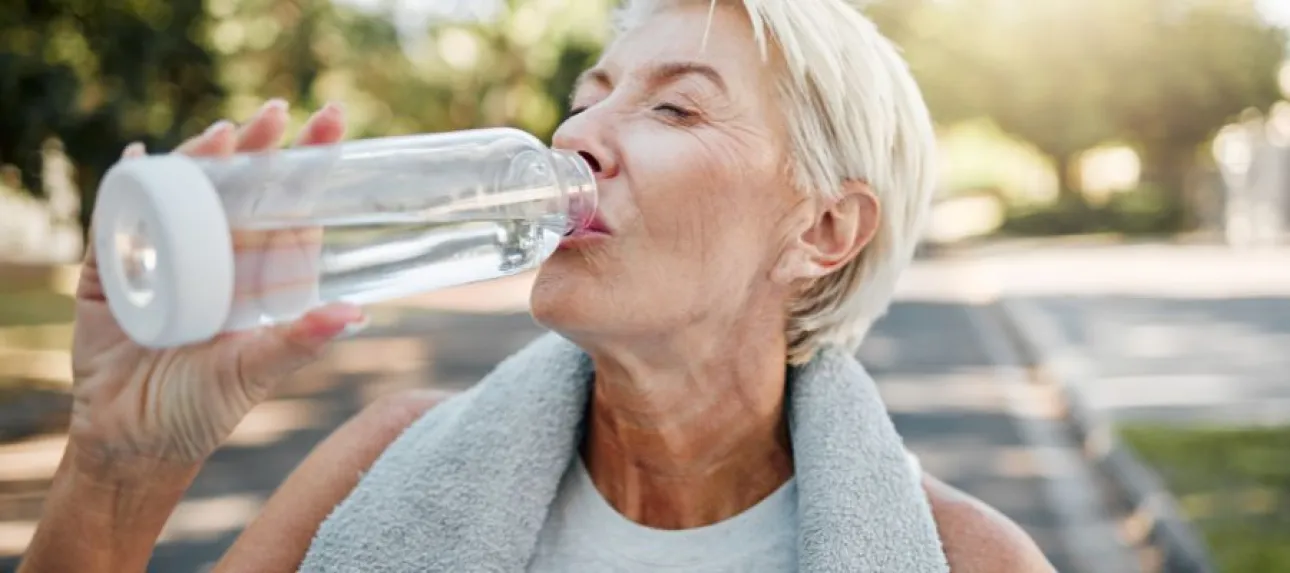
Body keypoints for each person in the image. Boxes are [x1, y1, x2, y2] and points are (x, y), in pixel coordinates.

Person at [20, 1, 1056, 571]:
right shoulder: (381, 463)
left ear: (823, 229)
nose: (574, 138)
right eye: (588, 98)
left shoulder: (969, 562)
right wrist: (121, 466)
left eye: (678, 111)